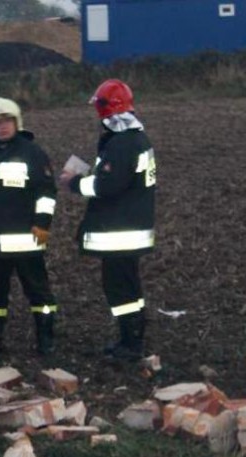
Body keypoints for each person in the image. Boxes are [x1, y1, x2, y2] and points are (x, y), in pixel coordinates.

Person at [59, 79, 156, 361]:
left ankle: (130, 344)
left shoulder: (122, 144)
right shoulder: (137, 139)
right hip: (132, 228)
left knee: (119, 288)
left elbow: (107, 186)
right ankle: (133, 336)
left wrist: (75, 183)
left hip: (120, 231)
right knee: (130, 286)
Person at [0, 98, 58, 355]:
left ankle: (46, 339)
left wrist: (42, 223)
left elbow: (46, 193)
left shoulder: (32, 153)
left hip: (27, 241)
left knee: (39, 294)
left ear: (17, 123)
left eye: (6, 122)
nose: (2, 127)